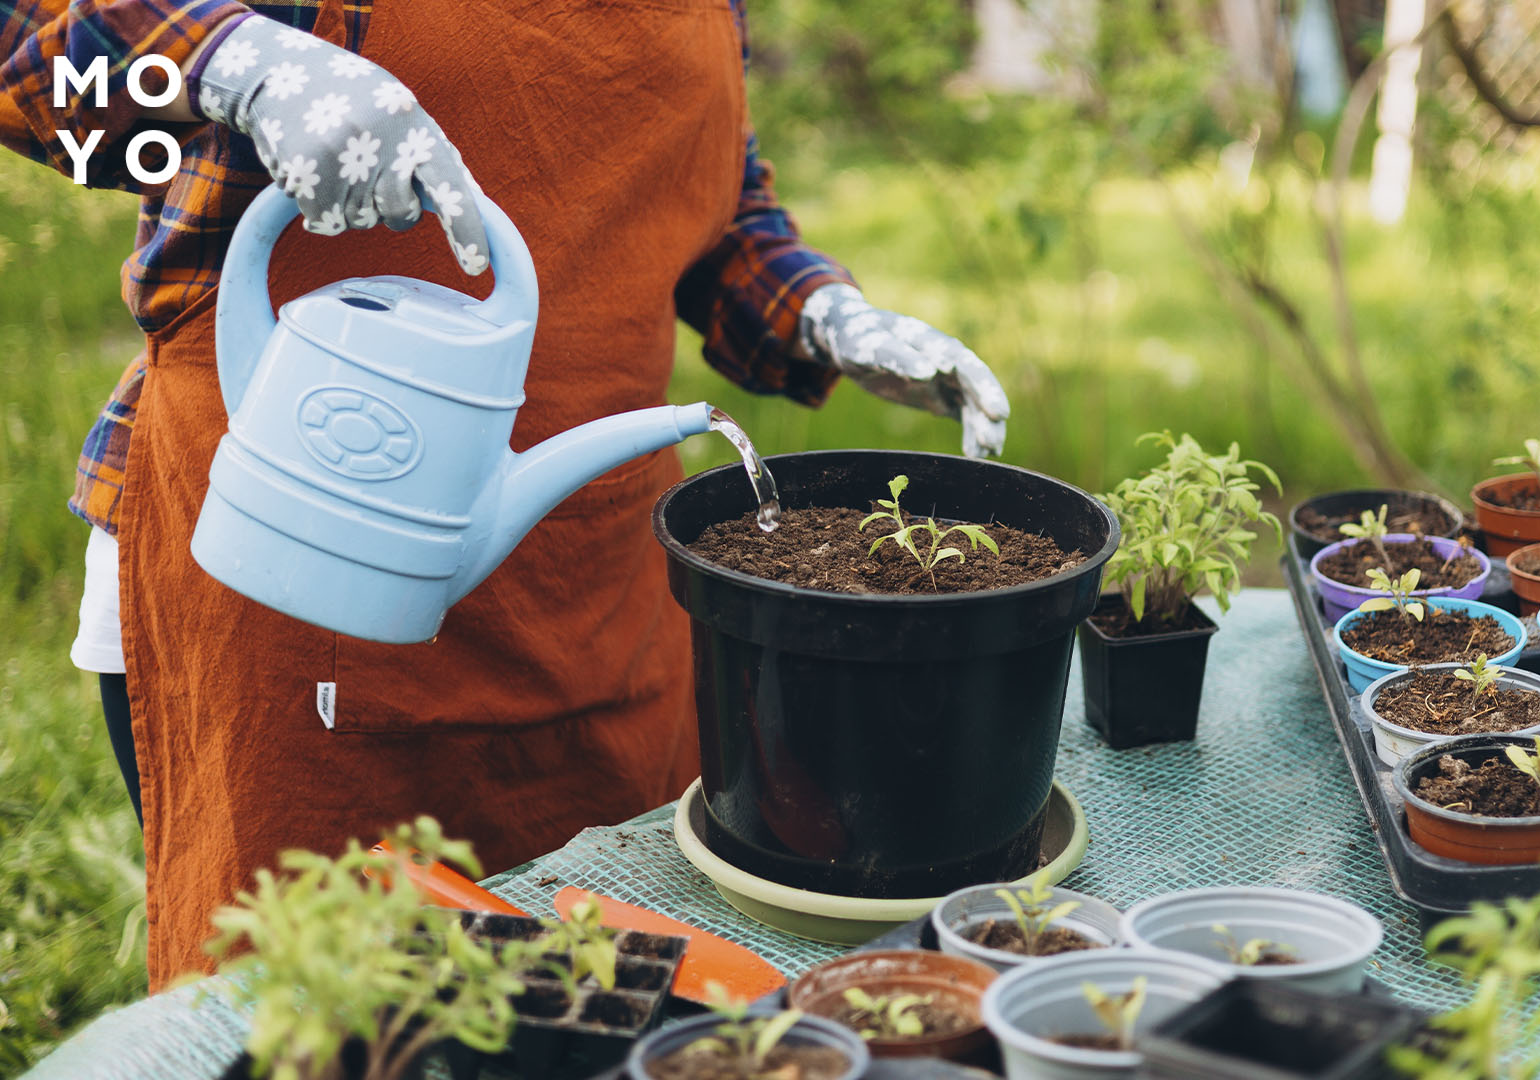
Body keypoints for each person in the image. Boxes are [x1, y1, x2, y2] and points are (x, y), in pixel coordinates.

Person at [2, 0, 1009, 987]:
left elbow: (701, 205)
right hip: (302, 579)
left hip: (600, 597)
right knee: (321, 1016)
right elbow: (32, 43)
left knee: (625, 998)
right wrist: (239, 59)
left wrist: (822, 313)